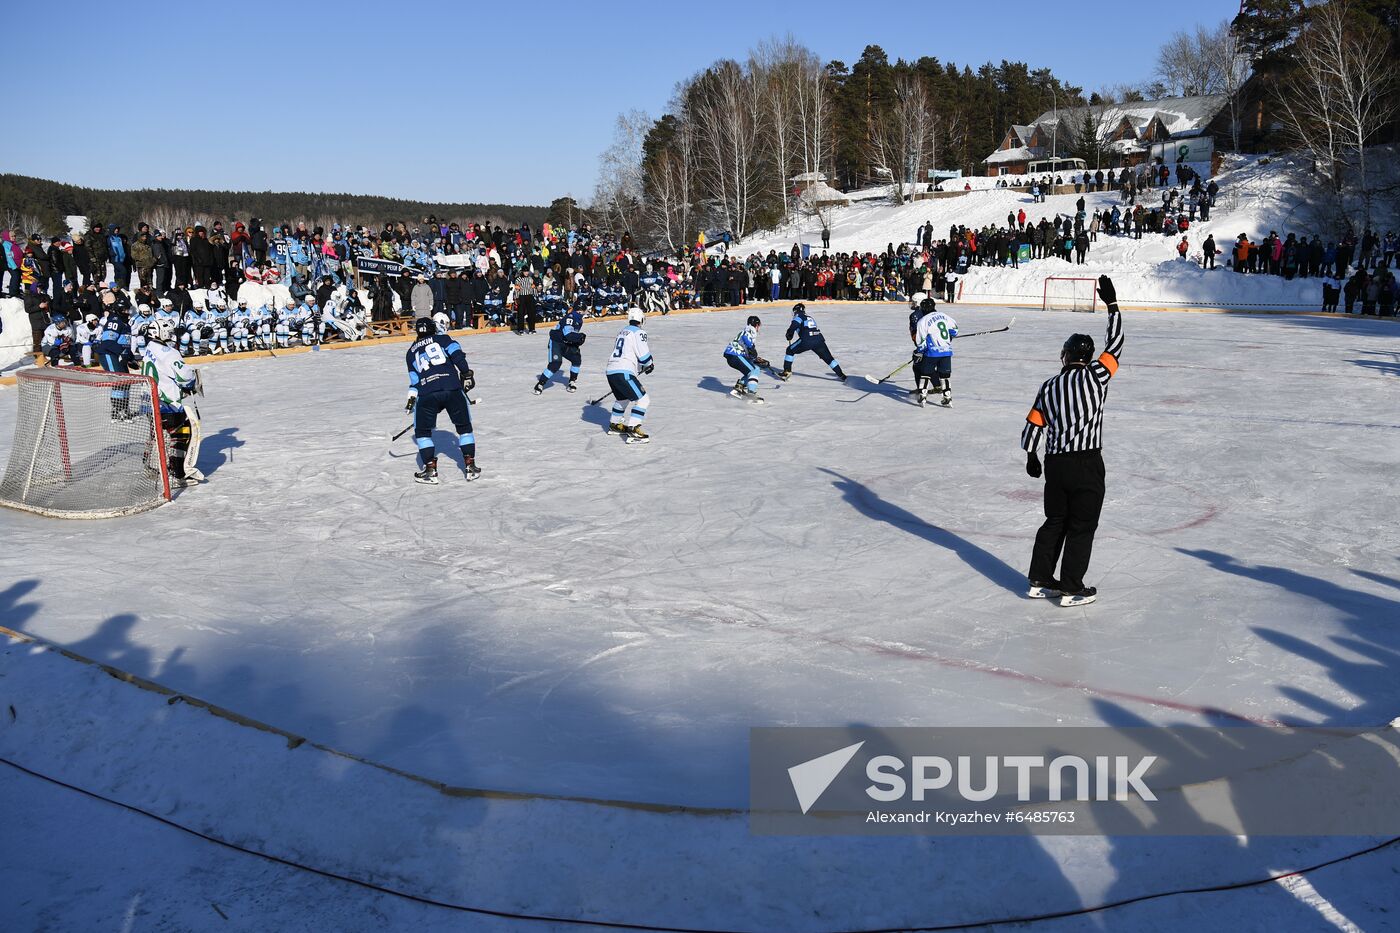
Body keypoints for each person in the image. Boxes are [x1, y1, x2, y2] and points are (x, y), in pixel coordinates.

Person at [1020, 274, 1123, 608]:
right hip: (1087, 463)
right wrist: (1112, 305)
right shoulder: (1098, 375)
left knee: (1055, 521)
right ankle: (1071, 587)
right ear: (1088, 356)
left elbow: (1033, 425)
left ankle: (1039, 580)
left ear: (1064, 356)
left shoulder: (1049, 385)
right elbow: (1117, 344)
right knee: (1082, 525)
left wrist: (1031, 456)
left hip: (1056, 464)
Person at [404, 316, 480, 484]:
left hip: (427, 392)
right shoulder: (443, 339)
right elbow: (457, 355)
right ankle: (470, 466)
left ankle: (430, 470)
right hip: (451, 387)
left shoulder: (410, 352)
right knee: (464, 428)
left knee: (422, 433)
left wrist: (411, 400)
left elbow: (414, 381)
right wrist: (466, 373)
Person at [139, 319, 202, 486]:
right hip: (169, 405)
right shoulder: (170, 353)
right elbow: (185, 377)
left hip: (150, 401)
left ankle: (151, 466)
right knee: (180, 435)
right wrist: (191, 382)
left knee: (158, 434)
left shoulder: (150, 347)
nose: (173, 335)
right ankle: (175, 474)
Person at [604, 307, 654, 443]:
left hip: (611, 370)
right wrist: (649, 363)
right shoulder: (639, 332)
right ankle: (633, 429)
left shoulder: (622, 332)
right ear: (641, 319)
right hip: (624, 371)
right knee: (643, 400)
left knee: (623, 399)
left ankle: (615, 425)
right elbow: (644, 357)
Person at [781, 303, 846, 382]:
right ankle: (841, 375)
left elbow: (794, 324)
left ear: (795, 310)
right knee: (829, 359)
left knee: (790, 350)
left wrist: (789, 333)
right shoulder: (810, 317)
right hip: (819, 339)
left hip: (807, 339)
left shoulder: (799, 316)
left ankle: (787, 371)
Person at [911, 297, 956, 406]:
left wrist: (919, 352)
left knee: (925, 373)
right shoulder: (945, 316)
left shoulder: (923, 321)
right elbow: (954, 330)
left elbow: (920, 341)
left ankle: (922, 396)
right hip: (946, 351)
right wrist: (947, 338)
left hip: (932, 353)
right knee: (945, 375)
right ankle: (947, 397)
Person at [535, 306, 586, 394]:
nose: (587, 311)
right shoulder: (571, 317)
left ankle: (572, 381)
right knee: (555, 364)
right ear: (580, 311)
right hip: (556, 342)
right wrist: (579, 337)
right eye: (585, 310)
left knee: (576, 359)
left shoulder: (578, 318)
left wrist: (577, 340)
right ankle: (540, 383)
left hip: (566, 342)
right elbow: (568, 333)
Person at [724, 315, 769, 402]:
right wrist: (752, 348)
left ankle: (739, 387)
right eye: (758, 325)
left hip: (733, 356)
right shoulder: (750, 330)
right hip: (735, 355)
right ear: (756, 325)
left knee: (752, 370)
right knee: (754, 370)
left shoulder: (746, 330)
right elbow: (746, 338)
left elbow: (747, 352)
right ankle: (751, 393)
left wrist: (755, 358)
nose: (758, 328)